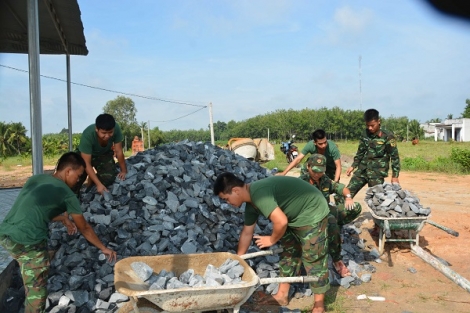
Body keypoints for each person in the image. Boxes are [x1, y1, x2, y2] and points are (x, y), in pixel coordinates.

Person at [0, 152, 117, 313]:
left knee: (29, 272)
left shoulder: (36, 179)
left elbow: (36, 210)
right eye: (79, 175)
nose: (78, 180)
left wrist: (63, 219)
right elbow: (84, 228)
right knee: (37, 291)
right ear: (68, 171)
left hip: (6, 234)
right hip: (29, 241)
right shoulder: (67, 194)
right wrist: (103, 248)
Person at [214, 173, 330, 313]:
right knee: (289, 253)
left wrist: (271, 239)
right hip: (293, 215)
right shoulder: (251, 204)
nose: (228, 203)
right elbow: (247, 232)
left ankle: (319, 305)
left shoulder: (259, 194)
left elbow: (281, 221)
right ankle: (282, 295)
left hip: (312, 211)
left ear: (236, 191)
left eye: (226, 199)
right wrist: (239, 260)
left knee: (314, 257)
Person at [300, 154, 363, 277]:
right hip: (310, 215)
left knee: (355, 207)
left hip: (326, 210)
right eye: (314, 171)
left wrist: (348, 197)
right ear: (308, 167)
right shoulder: (301, 182)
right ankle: (337, 259)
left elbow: (341, 188)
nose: (317, 174)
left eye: (320, 171)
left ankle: (334, 228)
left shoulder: (325, 180)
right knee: (331, 221)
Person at [345, 109, 400, 235]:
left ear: (378, 122)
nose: (370, 128)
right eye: (367, 125)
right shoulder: (365, 134)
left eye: (372, 125)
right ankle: (341, 220)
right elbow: (361, 151)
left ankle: (378, 227)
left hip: (377, 173)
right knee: (347, 192)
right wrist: (354, 165)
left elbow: (395, 157)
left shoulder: (388, 136)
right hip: (363, 170)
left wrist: (395, 176)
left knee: (376, 200)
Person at [74, 113, 127, 195]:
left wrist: (124, 171)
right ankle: (75, 196)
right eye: (103, 133)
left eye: (110, 132)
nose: (107, 136)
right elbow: (86, 163)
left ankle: (91, 183)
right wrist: (99, 184)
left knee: (109, 178)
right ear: (96, 129)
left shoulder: (116, 128)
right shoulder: (88, 135)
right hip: (85, 155)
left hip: (103, 154)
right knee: (78, 177)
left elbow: (119, 151)